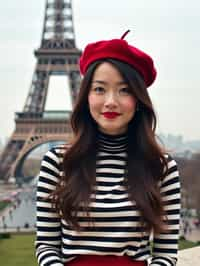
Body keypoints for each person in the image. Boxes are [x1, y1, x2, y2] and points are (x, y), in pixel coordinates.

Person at [35, 30, 181, 266]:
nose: (111, 101)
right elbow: (47, 245)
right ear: (86, 96)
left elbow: (166, 253)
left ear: (139, 99)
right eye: (100, 89)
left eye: (125, 90)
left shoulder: (161, 168)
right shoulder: (56, 162)